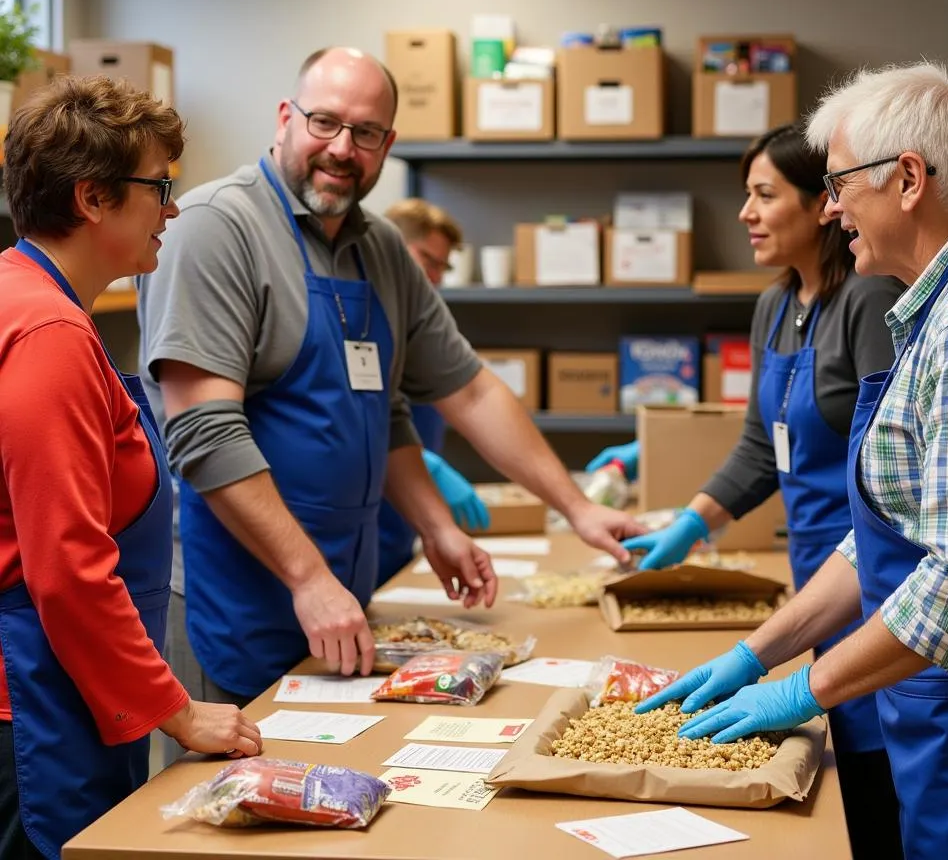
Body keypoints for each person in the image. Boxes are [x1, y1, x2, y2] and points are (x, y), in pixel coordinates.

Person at [137, 47, 644, 724]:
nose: (342, 148)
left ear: (388, 145)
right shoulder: (217, 229)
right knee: (225, 802)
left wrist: (556, 512)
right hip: (237, 592)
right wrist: (307, 578)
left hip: (342, 592)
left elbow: (449, 395)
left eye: (366, 133)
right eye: (324, 123)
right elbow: (203, 432)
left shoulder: (378, 250)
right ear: (285, 118)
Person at [645, 63, 948, 860]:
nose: (834, 204)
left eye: (842, 181)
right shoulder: (936, 308)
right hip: (938, 713)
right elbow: (886, 530)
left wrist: (801, 689)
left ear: (909, 179)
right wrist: (759, 653)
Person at [604, 124, 904, 858]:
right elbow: (758, 447)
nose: (745, 212)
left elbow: (899, 477)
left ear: (821, 205)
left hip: (881, 582)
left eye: (765, 194)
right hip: (817, 583)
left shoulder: (868, 301)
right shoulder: (775, 305)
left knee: (876, 779)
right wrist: (690, 524)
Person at [0, 76, 261, 860]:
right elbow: (69, 567)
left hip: (75, 685)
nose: (172, 210)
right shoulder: (46, 332)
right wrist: (178, 712)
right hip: (41, 699)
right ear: (93, 198)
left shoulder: (29, 297)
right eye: (159, 188)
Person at [377, 198, 489, 587]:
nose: (436, 277)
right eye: (429, 260)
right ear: (390, 243)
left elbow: (474, 396)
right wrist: (426, 464)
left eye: (443, 267)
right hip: (358, 530)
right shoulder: (360, 315)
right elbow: (346, 420)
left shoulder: (416, 324)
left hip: (399, 534)